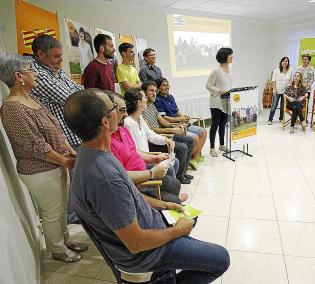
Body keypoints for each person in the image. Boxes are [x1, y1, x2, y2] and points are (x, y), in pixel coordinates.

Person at [63, 89, 230, 282]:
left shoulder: (94, 153)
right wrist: (177, 231)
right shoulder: (103, 177)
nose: (123, 113)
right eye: (115, 108)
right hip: (146, 254)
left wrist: (164, 205)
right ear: (105, 122)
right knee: (221, 259)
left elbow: (128, 196)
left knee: (189, 216)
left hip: (150, 227)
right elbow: (136, 243)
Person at [0, 53, 87, 263]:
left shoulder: (31, 98)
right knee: (52, 212)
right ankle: (57, 249)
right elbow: (36, 146)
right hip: (40, 170)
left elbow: (55, 130)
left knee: (61, 207)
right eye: (32, 69)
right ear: (18, 76)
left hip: (57, 165)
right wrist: (65, 160)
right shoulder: (12, 108)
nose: (36, 73)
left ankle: (66, 240)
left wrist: (70, 151)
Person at [30, 34, 83, 224]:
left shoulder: (55, 69)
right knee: (69, 180)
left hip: (73, 133)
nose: (61, 62)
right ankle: (71, 215)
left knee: (76, 178)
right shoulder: (36, 73)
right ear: (40, 54)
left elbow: (79, 89)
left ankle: (76, 212)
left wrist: (78, 93)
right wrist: (77, 94)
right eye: (56, 57)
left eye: (61, 57)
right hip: (61, 137)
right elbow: (72, 98)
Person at [106, 90, 186, 203]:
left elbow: (136, 148)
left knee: (174, 181)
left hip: (143, 164)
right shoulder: (124, 126)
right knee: (173, 181)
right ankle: (173, 201)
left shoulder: (124, 128)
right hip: (138, 178)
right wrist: (151, 173)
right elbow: (121, 177)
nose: (125, 114)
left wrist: (155, 156)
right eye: (122, 110)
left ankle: (173, 198)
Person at [123, 88, 191, 184]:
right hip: (140, 160)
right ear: (139, 103)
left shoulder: (139, 117)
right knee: (172, 165)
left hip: (147, 156)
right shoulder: (128, 123)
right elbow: (134, 150)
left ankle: (172, 187)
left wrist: (166, 140)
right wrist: (154, 157)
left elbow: (150, 134)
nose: (146, 100)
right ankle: (171, 188)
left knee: (174, 161)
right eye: (144, 98)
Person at [141, 81, 195, 177]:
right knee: (182, 147)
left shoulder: (152, 105)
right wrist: (172, 130)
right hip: (153, 141)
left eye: (155, 91)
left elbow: (162, 120)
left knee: (190, 140)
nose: (154, 94)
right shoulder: (142, 108)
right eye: (151, 91)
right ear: (144, 92)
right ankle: (179, 176)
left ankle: (184, 171)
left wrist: (175, 127)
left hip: (162, 136)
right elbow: (151, 130)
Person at [155, 77, 207, 168]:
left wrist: (184, 116)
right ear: (158, 88)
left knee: (203, 132)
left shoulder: (170, 97)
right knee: (195, 138)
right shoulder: (158, 100)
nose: (167, 87)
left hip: (182, 123)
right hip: (176, 125)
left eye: (168, 84)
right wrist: (180, 120)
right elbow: (164, 118)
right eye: (164, 85)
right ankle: (190, 159)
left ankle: (195, 157)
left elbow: (177, 111)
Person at [206, 47, 233, 157]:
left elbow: (229, 84)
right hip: (216, 103)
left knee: (223, 124)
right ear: (225, 56)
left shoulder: (230, 70)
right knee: (215, 125)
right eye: (231, 55)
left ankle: (221, 145)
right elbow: (208, 85)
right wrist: (219, 91)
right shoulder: (216, 71)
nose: (232, 57)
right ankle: (212, 148)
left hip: (226, 102)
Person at [268, 57, 292, 125]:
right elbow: (273, 80)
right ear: (281, 62)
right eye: (284, 61)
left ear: (288, 62)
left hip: (285, 91)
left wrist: (289, 89)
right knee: (274, 106)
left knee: (282, 106)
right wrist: (274, 89)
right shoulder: (276, 70)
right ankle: (270, 119)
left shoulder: (290, 70)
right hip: (277, 91)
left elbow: (290, 81)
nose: (285, 62)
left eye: (286, 61)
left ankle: (281, 119)